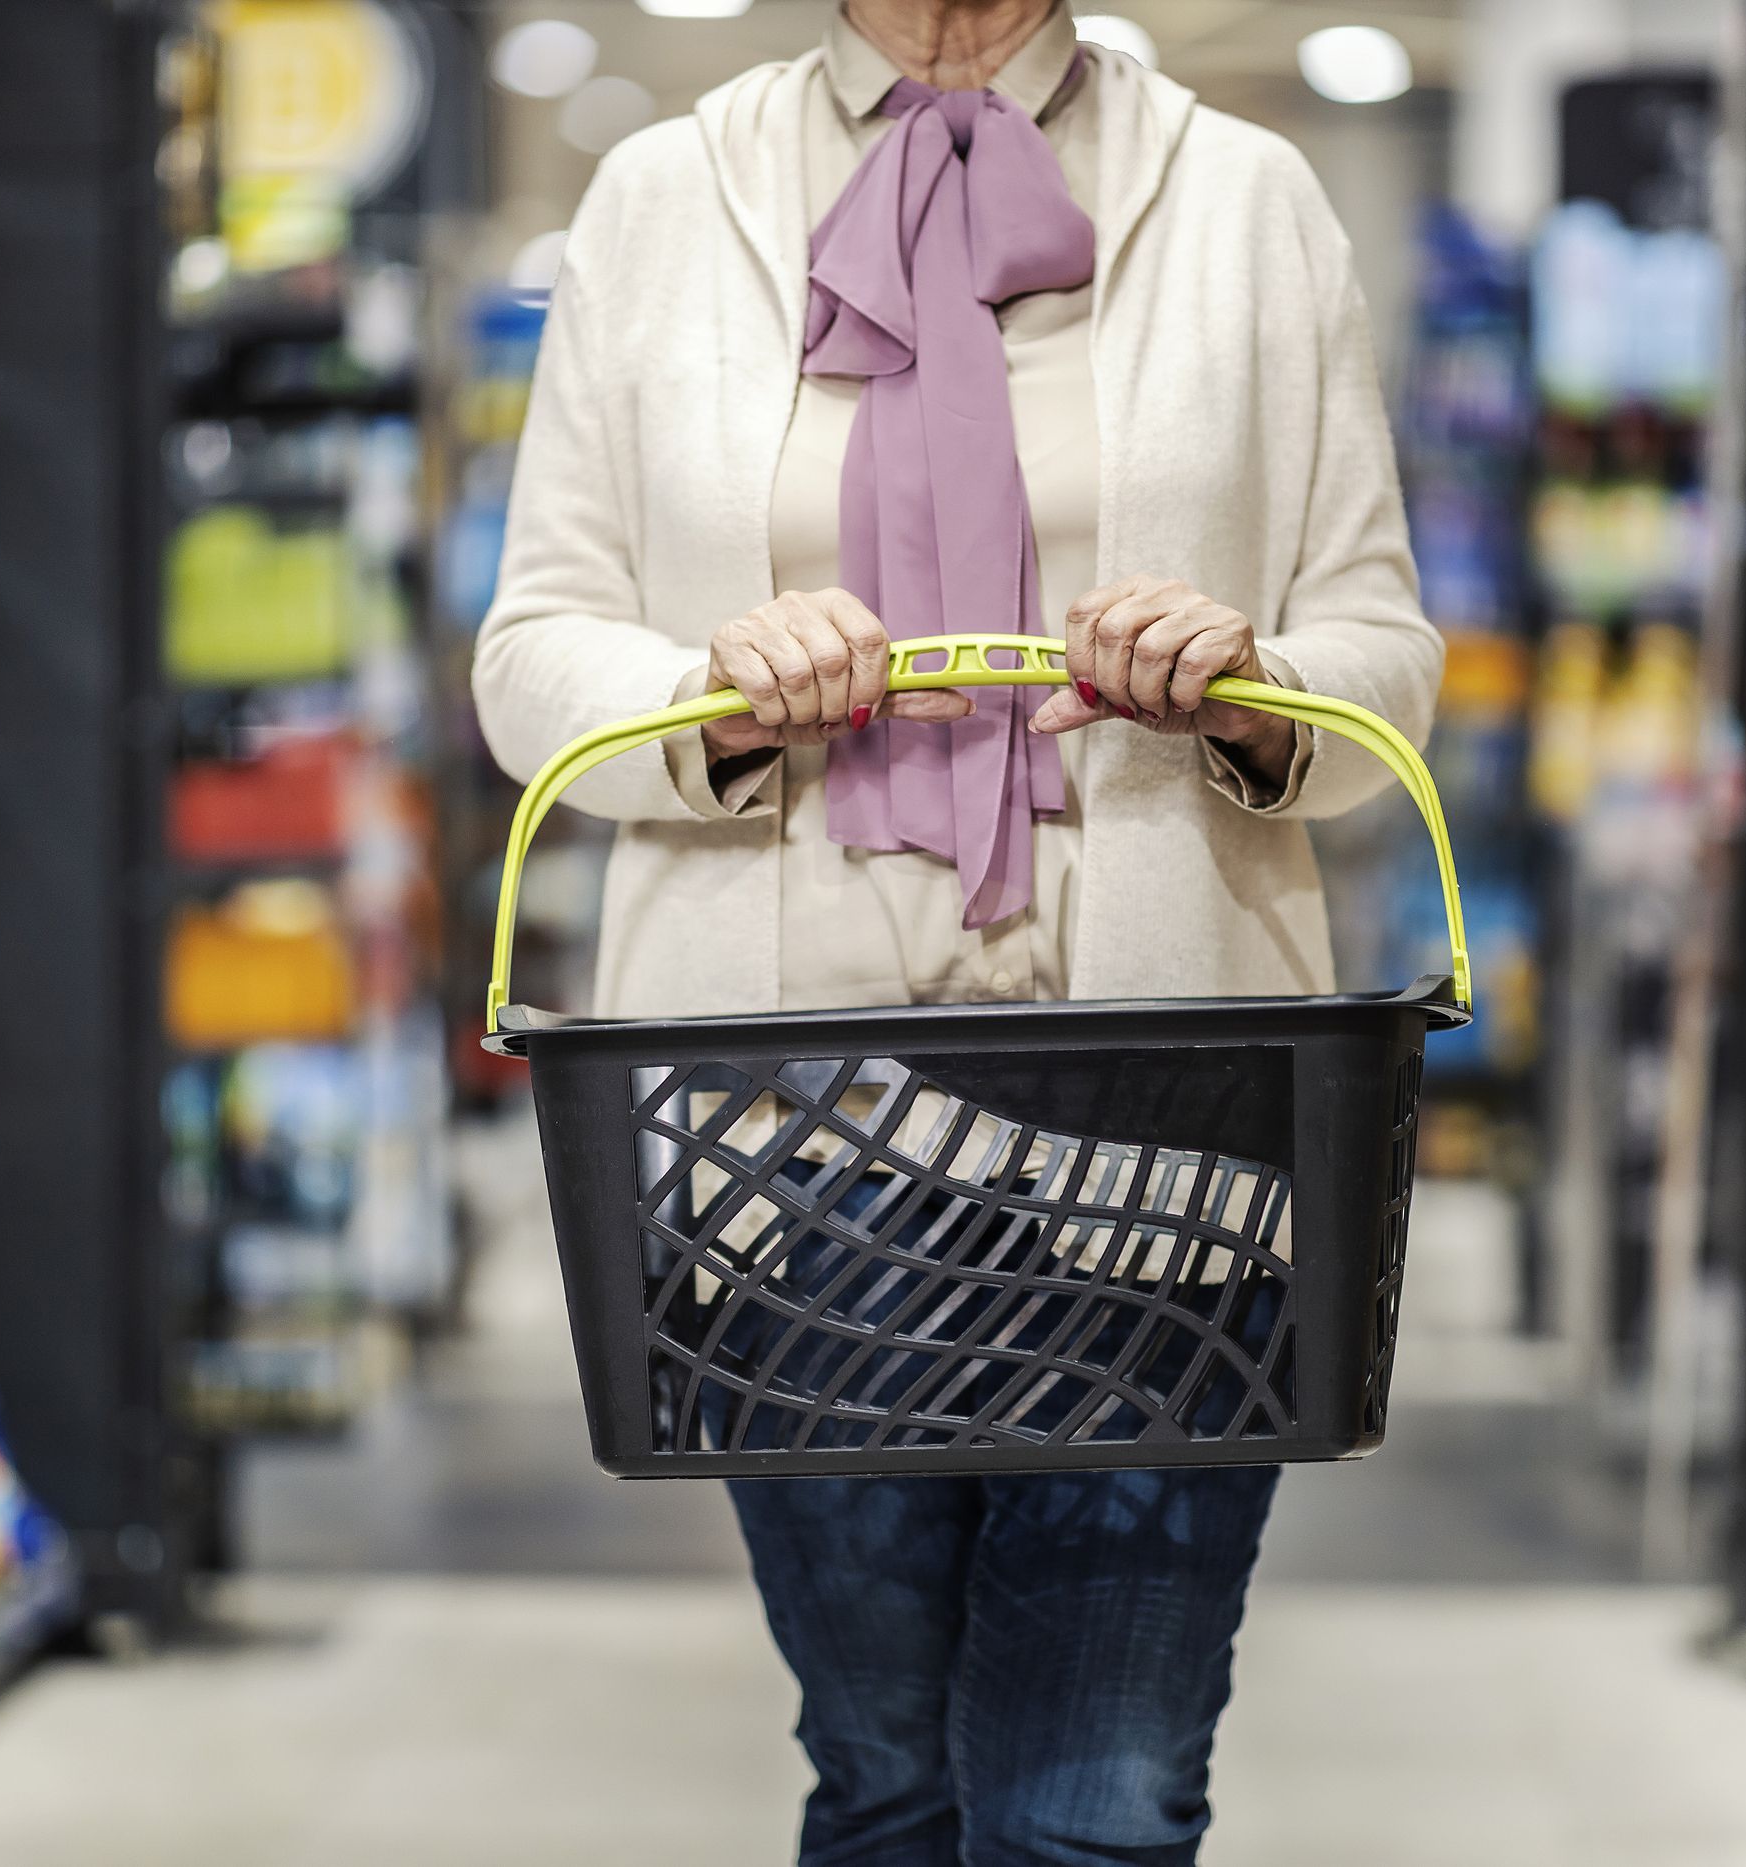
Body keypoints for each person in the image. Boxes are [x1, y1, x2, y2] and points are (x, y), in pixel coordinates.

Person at [475, 0, 1441, 1858]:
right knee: (889, 1779)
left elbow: (1382, 656)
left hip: (1174, 1130)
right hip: (785, 1129)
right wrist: (714, 689)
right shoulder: (666, 199)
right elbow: (533, 657)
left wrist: (1248, 684)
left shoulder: (1246, 197)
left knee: (1104, 1804)